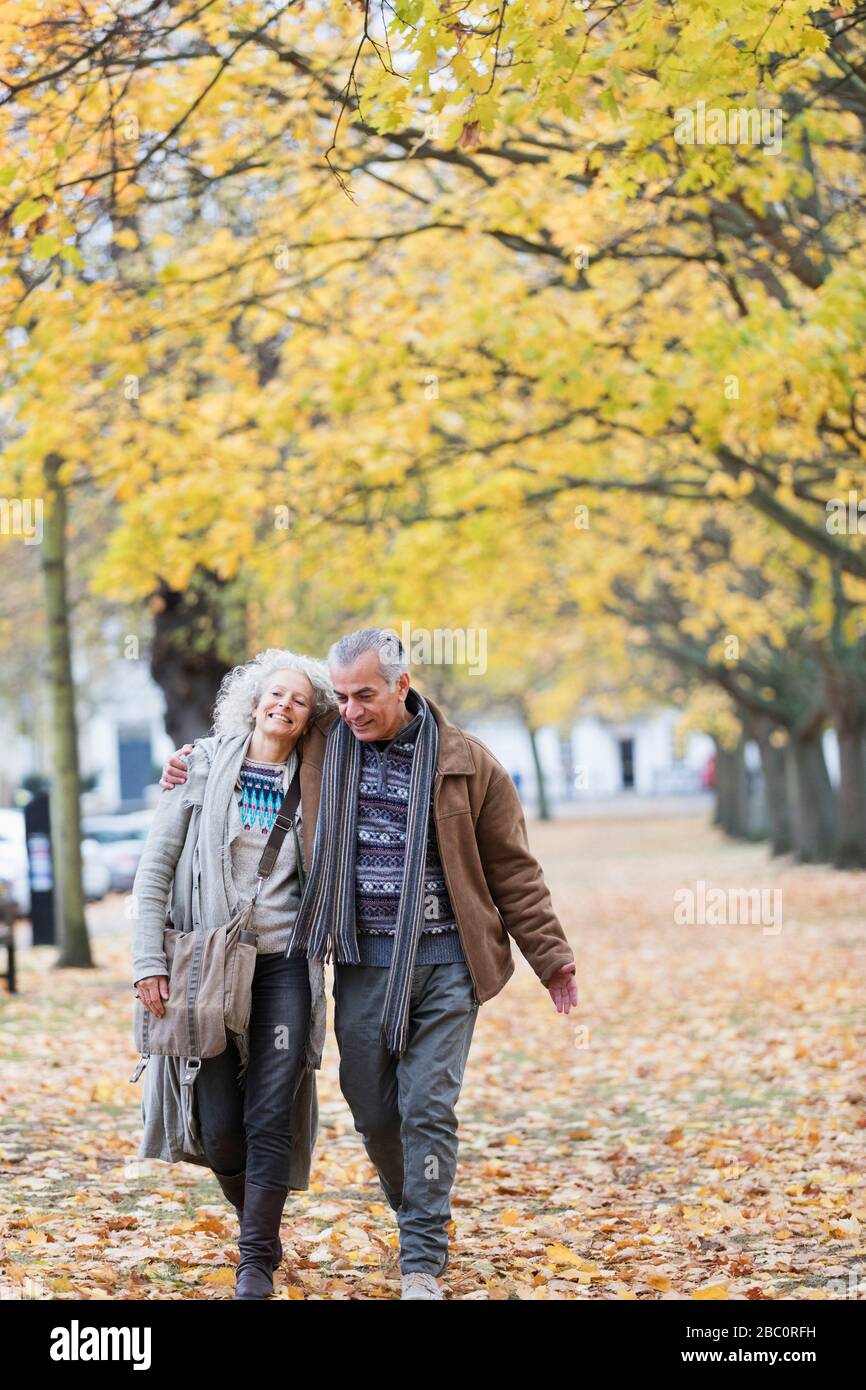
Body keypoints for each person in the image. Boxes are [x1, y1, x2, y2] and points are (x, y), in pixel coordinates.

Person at [161, 628, 578, 1301]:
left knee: (426, 1107)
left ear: (402, 686)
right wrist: (185, 764)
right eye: (343, 697)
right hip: (360, 959)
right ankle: (412, 1198)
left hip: (448, 965)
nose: (351, 709)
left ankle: (421, 1261)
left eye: (365, 696)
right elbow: (253, 741)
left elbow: (514, 871)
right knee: (376, 1113)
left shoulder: (470, 763)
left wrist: (551, 958)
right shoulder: (325, 742)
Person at [132, 648, 336, 1299]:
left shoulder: (318, 780)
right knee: (221, 1128)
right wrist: (146, 962)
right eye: (275, 694)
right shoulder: (198, 767)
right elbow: (154, 871)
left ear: (308, 720)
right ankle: (266, 1237)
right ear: (255, 700)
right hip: (208, 968)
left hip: (283, 968)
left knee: (270, 1114)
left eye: (298, 701)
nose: (283, 705)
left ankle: (254, 1267)